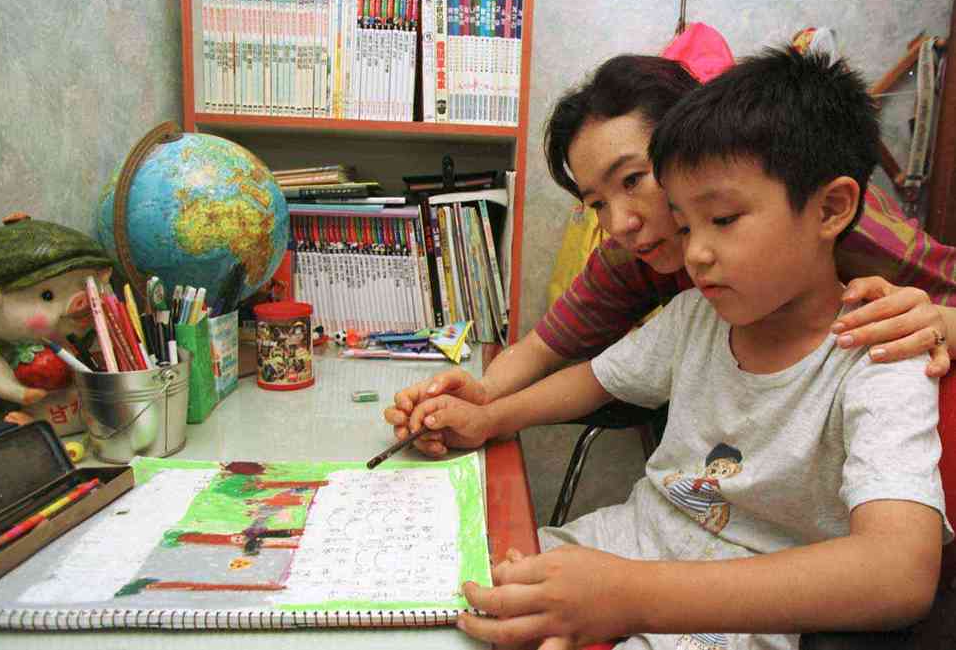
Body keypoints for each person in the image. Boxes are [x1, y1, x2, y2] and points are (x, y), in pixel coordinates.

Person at [401, 47, 953, 650]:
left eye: (721, 217)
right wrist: (484, 412)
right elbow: (588, 368)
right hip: (629, 549)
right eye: (687, 225)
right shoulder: (697, 310)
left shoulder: (884, 344)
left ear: (831, 209)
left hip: (720, 611)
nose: (691, 253)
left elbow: (898, 571)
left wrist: (627, 595)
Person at [386, 53, 956, 457]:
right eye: (596, 204)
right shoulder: (635, 256)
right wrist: (471, 400)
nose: (621, 224)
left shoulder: (840, 228)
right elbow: (544, 348)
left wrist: (942, 322)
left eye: (633, 180)